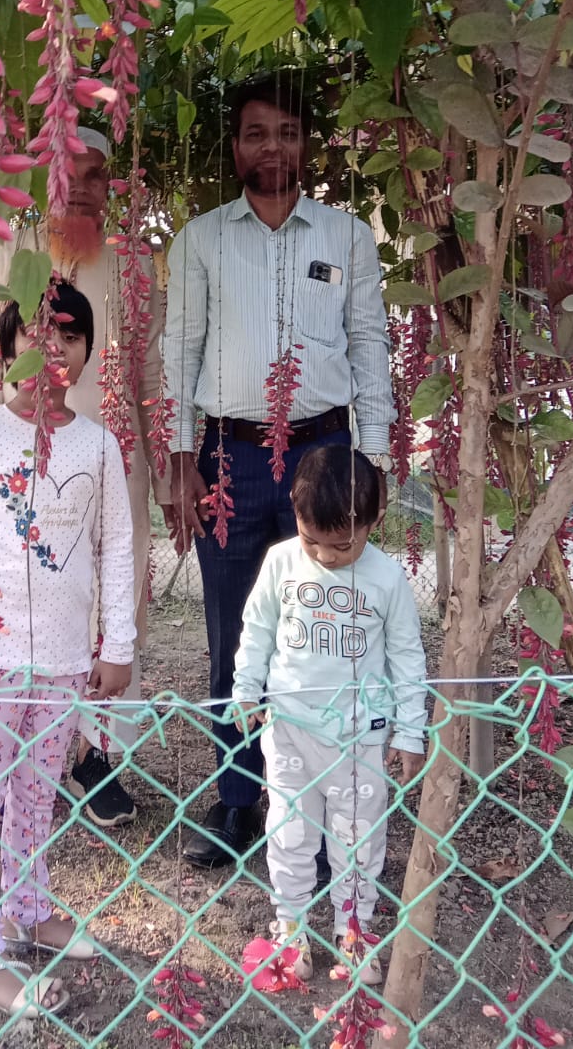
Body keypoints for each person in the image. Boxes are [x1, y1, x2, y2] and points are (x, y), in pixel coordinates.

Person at [163, 73, 396, 866]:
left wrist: (374, 460)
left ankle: (321, 811)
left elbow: (370, 346)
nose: (272, 148)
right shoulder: (201, 239)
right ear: (235, 147)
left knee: (324, 636)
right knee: (234, 636)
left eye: (287, 133)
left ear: (307, 146)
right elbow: (178, 353)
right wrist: (181, 458)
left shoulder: (347, 237)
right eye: (256, 133)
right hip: (228, 458)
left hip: (323, 453)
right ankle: (237, 801)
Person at [0, 280, 136, 1020]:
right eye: (37, 334)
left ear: (87, 353)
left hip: (64, 660)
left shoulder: (99, 445)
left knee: (37, 794)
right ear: (7, 349)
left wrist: (117, 643)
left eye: (70, 335)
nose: (54, 348)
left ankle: (28, 909)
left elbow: (117, 549)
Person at [0, 126, 170, 829]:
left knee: (117, 605)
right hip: (29, 460)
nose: (84, 188)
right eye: (71, 172)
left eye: (98, 175)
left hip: (115, 461)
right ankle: (26, 741)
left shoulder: (134, 262)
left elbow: (150, 374)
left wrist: (168, 472)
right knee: (32, 592)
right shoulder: (14, 252)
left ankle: (97, 756)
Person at [233, 446, 427, 981]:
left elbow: (407, 656)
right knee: (289, 832)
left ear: (374, 520)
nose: (325, 555)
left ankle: (353, 930)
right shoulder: (281, 563)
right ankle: (290, 927)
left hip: (360, 737)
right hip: (289, 730)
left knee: (359, 839)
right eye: (310, 539)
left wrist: (411, 731)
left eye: (343, 544)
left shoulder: (387, 579)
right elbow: (256, 631)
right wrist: (246, 690)